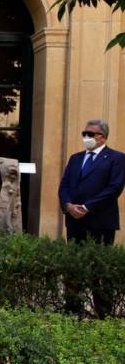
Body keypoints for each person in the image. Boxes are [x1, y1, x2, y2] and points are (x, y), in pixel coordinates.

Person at [58, 119, 125, 318]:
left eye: (89, 133)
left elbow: (114, 188)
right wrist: (69, 205)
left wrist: (87, 207)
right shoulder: (76, 158)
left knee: (99, 268)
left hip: (101, 222)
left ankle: (103, 313)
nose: (85, 137)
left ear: (102, 136)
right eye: (84, 133)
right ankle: (72, 309)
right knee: (74, 267)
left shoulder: (116, 158)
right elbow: (64, 187)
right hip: (75, 221)